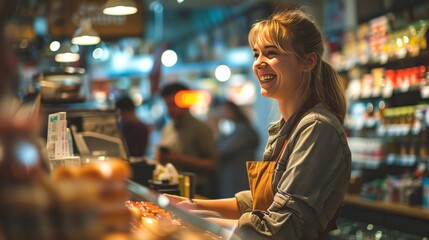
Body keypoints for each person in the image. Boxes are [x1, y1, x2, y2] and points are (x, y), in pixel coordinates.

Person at [165, 8, 351, 240]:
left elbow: (282, 227)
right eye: (256, 55)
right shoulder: (287, 126)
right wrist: (190, 206)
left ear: (308, 62)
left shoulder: (316, 127)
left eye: (271, 53)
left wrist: (194, 222)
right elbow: (260, 200)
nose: (259, 63)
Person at [154, 82, 218, 198]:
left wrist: (181, 159)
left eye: (173, 105)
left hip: (195, 190)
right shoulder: (168, 127)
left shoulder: (200, 128)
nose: (169, 109)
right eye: (167, 105)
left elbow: (213, 164)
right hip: (171, 187)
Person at [216, 100, 259, 198]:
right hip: (236, 175)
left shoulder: (243, 131)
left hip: (237, 176)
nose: (221, 114)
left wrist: (216, 128)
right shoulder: (239, 129)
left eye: (223, 110)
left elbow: (222, 151)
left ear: (232, 111)